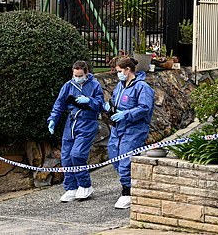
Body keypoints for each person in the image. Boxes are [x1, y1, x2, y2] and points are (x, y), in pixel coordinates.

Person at [47, 60, 104, 202]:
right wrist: (53, 119)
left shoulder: (95, 85)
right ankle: (71, 187)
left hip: (87, 123)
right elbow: (59, 104)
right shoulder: (68, 86)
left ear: (86, 73)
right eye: (75, 75)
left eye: (80, 75)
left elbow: (100, 104)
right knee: (66, 157)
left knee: (77, 154)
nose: (77, 78)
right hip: (71, 123)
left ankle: (85, 185)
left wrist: (89, 101)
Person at [105, 56, 155, 209]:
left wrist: (125, 114)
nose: (118, 74)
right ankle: (130, 185)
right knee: (114, 155)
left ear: (128, 70)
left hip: (134, 129)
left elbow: (144, 108)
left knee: (126, 159)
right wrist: (110, 108)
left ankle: (127, 192)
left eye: (120, 71)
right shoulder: (120, 86)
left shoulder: (142, 87)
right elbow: (115, 101)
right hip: (118, 127)